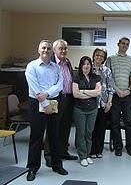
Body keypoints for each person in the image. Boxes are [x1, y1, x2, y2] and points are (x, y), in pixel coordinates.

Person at [25, 40, 68, 181]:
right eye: (44, 48)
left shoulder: (56, 68)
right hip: (36, 102)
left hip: (53, 101)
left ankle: (57, 165)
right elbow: (34, 87)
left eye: (49, 48)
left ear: (52, 51)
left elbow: (59, 84)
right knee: (36, 136)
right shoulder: (32, 66)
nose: (46, 50)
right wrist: (44, 102)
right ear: (39, 50)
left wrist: (47, 95)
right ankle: (32, 168)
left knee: (54, 135)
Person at [44, 39, 77, 168]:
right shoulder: (50, 63)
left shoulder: (67, 62)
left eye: (65, 48)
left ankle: (63, 152)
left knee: (65, 127)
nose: (63, 51)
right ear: (54, 50)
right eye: (61, 49)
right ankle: (49, 155)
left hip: (68, 98)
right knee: (52, 127)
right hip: (55, 98)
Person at [106, 37, 131, 156]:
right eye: (123, 43)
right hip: (114, 95)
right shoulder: (110, 59)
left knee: (129, 121)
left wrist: (129, 90)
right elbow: (109, 77)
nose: (125, 45)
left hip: (128, 96)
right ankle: (118, 147)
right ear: (118, 44)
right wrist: (117, 90)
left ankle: (129, 147)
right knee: (114, 122)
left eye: (127, 44)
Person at [72, 56, 101, 167]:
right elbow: (75, 94)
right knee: (81, 133)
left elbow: (98, 92)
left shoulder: (96, 77)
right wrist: (91, 92)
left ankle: (88, 155)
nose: (86, 66)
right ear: (81, 65)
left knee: (89, 133)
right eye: (84, 64)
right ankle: (82, 156)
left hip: (92, 109)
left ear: (91, 65)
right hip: (79, 109)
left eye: (88, 64)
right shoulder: (76, 77)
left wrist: (83, 91)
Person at [90, 48, 114, 158]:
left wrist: (109, 103)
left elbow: (111, 88)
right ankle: (91, 150)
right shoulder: (88, 68)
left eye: (101, 56)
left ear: (104, 58)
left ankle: (99, 150)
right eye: (97, 55)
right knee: (91, 128)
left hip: (104, 104)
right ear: (94, 56)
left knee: (101, 128)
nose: (99, 57)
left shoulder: (107, 70)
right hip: (91, 103)